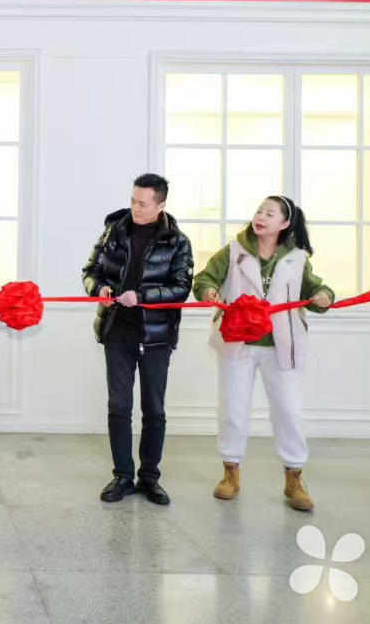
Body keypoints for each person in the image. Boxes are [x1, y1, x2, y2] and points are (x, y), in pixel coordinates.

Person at [192, 196, 334, 511]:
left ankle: (294, 478)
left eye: (270, 213)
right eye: (259, 211)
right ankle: (230, 472)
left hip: (282, 345)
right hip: (237, 342)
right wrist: (208, 291)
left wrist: (324, 296)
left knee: (289, 411)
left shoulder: (297, 258)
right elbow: (204, 279)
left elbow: (314, 289)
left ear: (285, 223)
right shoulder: (233, 251)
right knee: (233, 409)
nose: (261, 217)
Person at [81, 173, 193, 506]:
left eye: (143, 203)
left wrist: (141, 297)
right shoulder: (113, 232)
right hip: (117, 331)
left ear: (160, 205)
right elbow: (90, 272)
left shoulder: (178, 242)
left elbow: (180, 288)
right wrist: (99, 289)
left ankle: (149, 478)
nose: (135, 208)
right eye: (133, 200)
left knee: (153, 408)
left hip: (156, 337)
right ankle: (122, 475)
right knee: (119, 406)